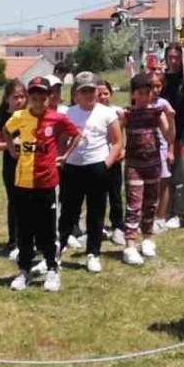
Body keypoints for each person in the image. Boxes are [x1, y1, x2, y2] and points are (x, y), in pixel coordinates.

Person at [3, 76, 80, 292]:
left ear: (49, 98)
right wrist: (11, 149)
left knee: (47, 230)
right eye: (34, 98)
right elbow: (6, 130)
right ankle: (24, 270)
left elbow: (76, 134)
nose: (38, 103)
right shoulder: (19, 116)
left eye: (42, 99)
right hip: (23, 182)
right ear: (29, 98)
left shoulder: (57, 118)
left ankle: (52, 268)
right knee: (24, 229)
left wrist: (64, 156)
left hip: (46, 182)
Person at [59, 72, 123, 275]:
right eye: (84, 91)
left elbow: (117, 142)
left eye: (92, 90)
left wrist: (106, 163)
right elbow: (62, 140)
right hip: (73, 168)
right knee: (68, 211)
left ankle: (93, 253)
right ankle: (57, 251)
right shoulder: (69, 113)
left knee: (96, 212)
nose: (89, 94)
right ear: (76, 95)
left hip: (97, 167)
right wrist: (62, 159)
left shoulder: (107, 113)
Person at [121, 72, 171, 266]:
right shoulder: (127, 113)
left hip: (153, 164)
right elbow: (117, 134)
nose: (143, 97)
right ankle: (130, 245)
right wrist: (120, 149)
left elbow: (169, 136)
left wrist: (171, 119)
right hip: (134, 165)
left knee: (151, 203)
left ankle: (147, 238)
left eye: (147, 93)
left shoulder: (157, 112)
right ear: (133, 94)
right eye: (140, 93)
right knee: (134, 204)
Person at [160, 43, 184, 225]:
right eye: (171, 57)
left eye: (177, 57)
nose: (174, 61)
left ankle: (180, 213)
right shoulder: (163, 79)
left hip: (183, 133)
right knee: (166, 173)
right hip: (164, 132)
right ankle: (167, 211)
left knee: (181, 173)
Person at [0, 79, 27, 259]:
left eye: (22, 97)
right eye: (15, 97)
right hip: (11, 165)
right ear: (7, 99)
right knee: (15, 202)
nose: (19, 100)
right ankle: (14, 241)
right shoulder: (2, 119)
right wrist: (11, 144)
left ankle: (30, 238)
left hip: (30, 163)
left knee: (31, 201)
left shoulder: (30, 115)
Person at [97, 80, 128, 247]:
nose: (103, 97)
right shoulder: (92, 112)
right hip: (97, 159)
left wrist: (123, 150)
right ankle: (98, 226)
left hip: (114, 157)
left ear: (111, 94)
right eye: (99, 94)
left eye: (106, 93)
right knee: (97, 195)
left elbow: (121, 134)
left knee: (115, 194)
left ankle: (117, 226)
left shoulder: (117, 111)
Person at [149, 69, 179, 233]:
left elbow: (171, 132)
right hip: (146, 150)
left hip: (161, 148)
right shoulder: (140, 102)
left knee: (163, 183)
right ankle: (148, 215)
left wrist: (171, 150)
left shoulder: (164, 104)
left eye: (158, 86)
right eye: (152, 86)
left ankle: (161, 216)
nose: (155, 90)